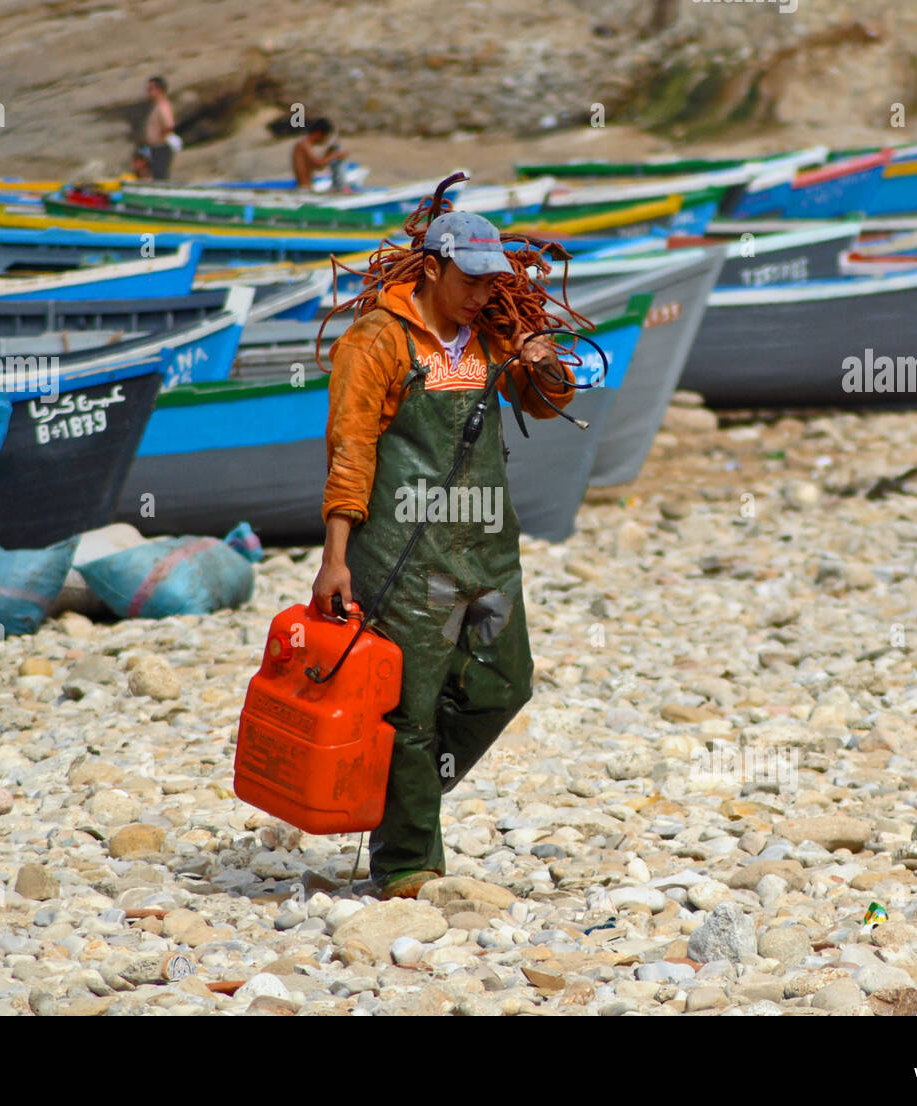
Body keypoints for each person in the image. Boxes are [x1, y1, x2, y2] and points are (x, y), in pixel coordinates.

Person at [312, 208, 575, 901]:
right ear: (432, 267)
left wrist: (543, 364)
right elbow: (351, 447)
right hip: (404, 557)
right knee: (410, 709)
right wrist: (334, 557)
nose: (484, 292)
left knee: (503, 683)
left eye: (493, 281)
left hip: (485, 553)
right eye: (470, 279)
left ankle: (403, 792)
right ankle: (406, 864)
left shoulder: (492, 336)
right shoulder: (377, 341)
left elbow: (548, 405)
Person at [293, 118, 344, 190]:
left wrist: (329, 152)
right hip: (304, 188)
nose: (325, 140)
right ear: (318, 133)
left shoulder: (307, 144)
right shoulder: (304, 144)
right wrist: (335, 155)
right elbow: (318, 164)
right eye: (326, 137)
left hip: (308, 188)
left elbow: (318, 166)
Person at [144, 75, 177, 180]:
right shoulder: (157, 106)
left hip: (161, 147)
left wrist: (160, 137)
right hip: (155, 148)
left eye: (150, 89)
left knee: (160, 178)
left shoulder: (163, 106)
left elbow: (169, 125)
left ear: (158, 90)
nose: (148, 92)